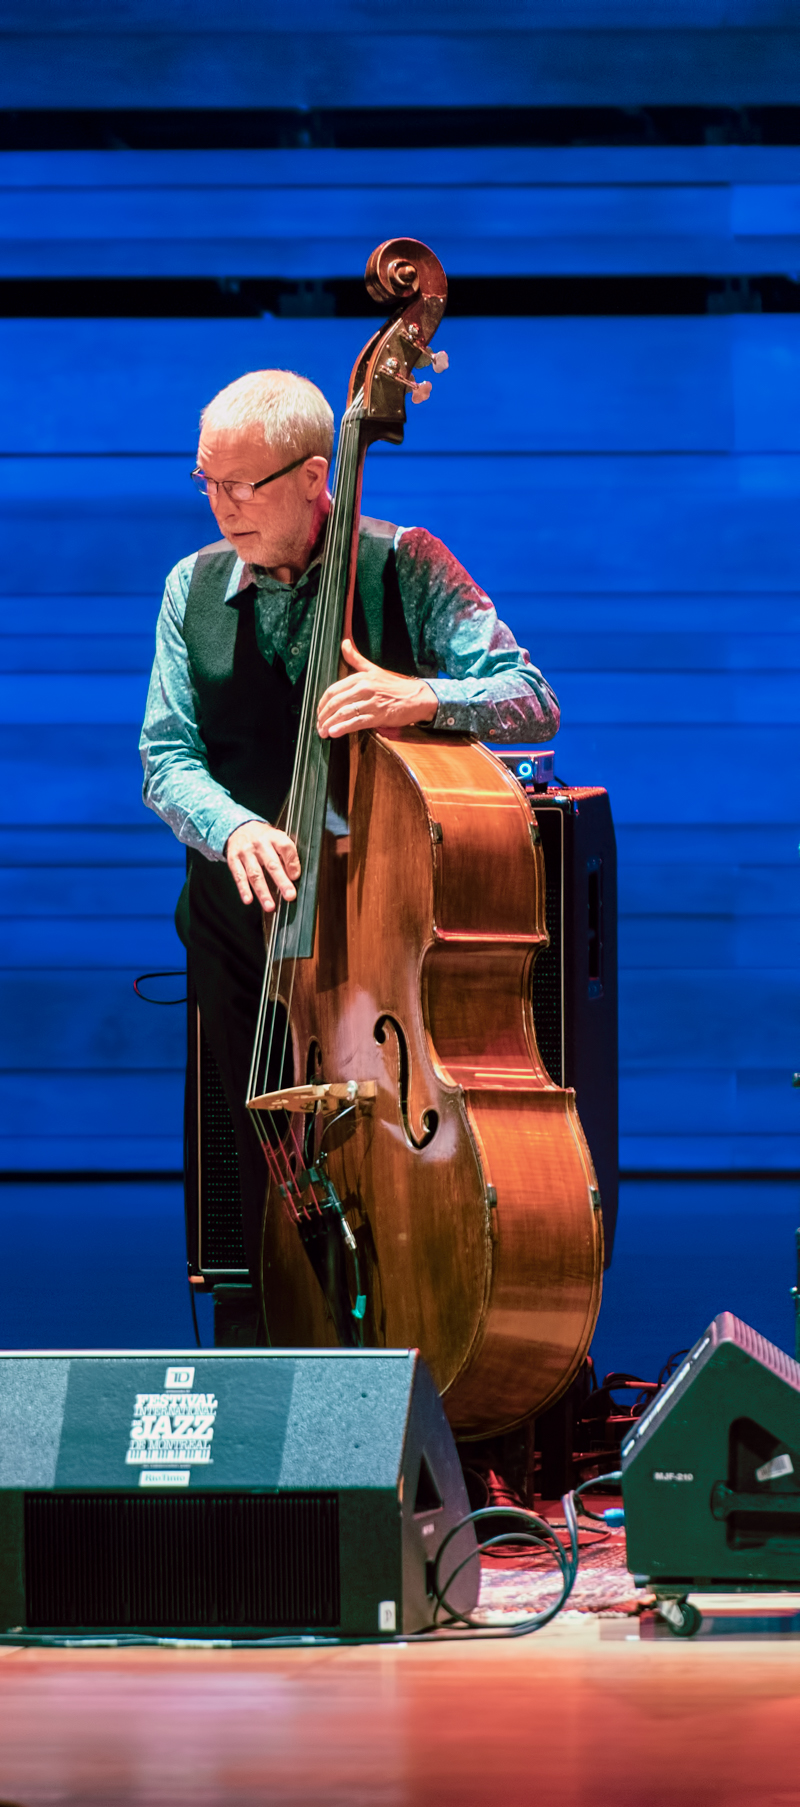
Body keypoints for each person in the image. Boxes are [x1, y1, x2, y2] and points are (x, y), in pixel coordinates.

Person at [138, 369, 560, 1337]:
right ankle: (264, 1365)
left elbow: (531, 696)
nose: (220, 506)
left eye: (242, 485)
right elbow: (166, 756)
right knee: (254, 1157)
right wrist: (233, 825)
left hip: (389, 927)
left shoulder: (406, 562)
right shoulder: (190, 588)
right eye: (206, 481)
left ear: (316, 475)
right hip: (249, 928)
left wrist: (425, 698)